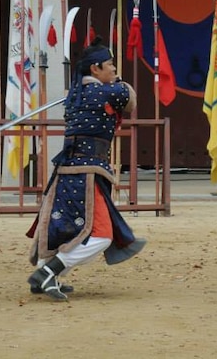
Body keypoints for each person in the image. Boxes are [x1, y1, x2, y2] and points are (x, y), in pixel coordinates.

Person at [26, 37, 147, 301]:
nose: (114, 70)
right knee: (102, 235)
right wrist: (114, 83)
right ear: (95, 69)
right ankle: (47, 272)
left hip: (69, 170)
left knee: (65, 225)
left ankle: (47, 274)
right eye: (110, 65)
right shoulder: (105, 92)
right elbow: (130, 97)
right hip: (87, 171)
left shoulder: (76, 96)